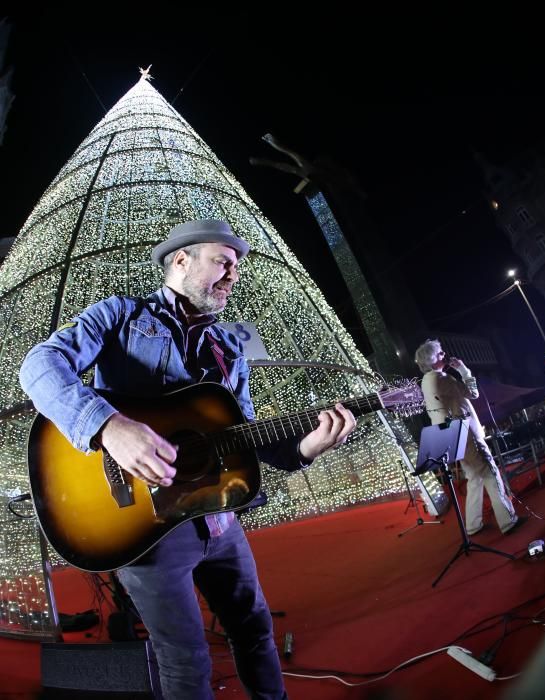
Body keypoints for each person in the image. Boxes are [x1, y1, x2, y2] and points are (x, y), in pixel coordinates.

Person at [19, 219, 357, 700]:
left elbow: (245, 436)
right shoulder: (119, 315)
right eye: (223, 261)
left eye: (235, 267)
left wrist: (307, 448)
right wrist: (109, 426)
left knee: (255, 628)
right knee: (185, 660)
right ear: (181, 260)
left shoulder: (229, 349)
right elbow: (37, 366)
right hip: (143, 527)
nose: (232, 275)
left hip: (218, 518)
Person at [414, 338, 521, 536]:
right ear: (431, 359)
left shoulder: (428, 381)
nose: (444, 354)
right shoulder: (441, 378)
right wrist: (464, 371)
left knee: (474, 477)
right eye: (440, 353)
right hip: (466, 434)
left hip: (455, 436)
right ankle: (507, 520)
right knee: (489, 471)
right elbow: (473, 393)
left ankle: (473, 524)